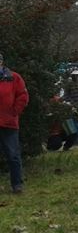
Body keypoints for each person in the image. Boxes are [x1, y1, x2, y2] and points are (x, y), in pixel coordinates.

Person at [0, 52, 29, 193]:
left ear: (1, 62)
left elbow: (23, 96)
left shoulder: (14, 78)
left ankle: (17, 185)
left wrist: (14, 112)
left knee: (13, 155)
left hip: (9, 123)